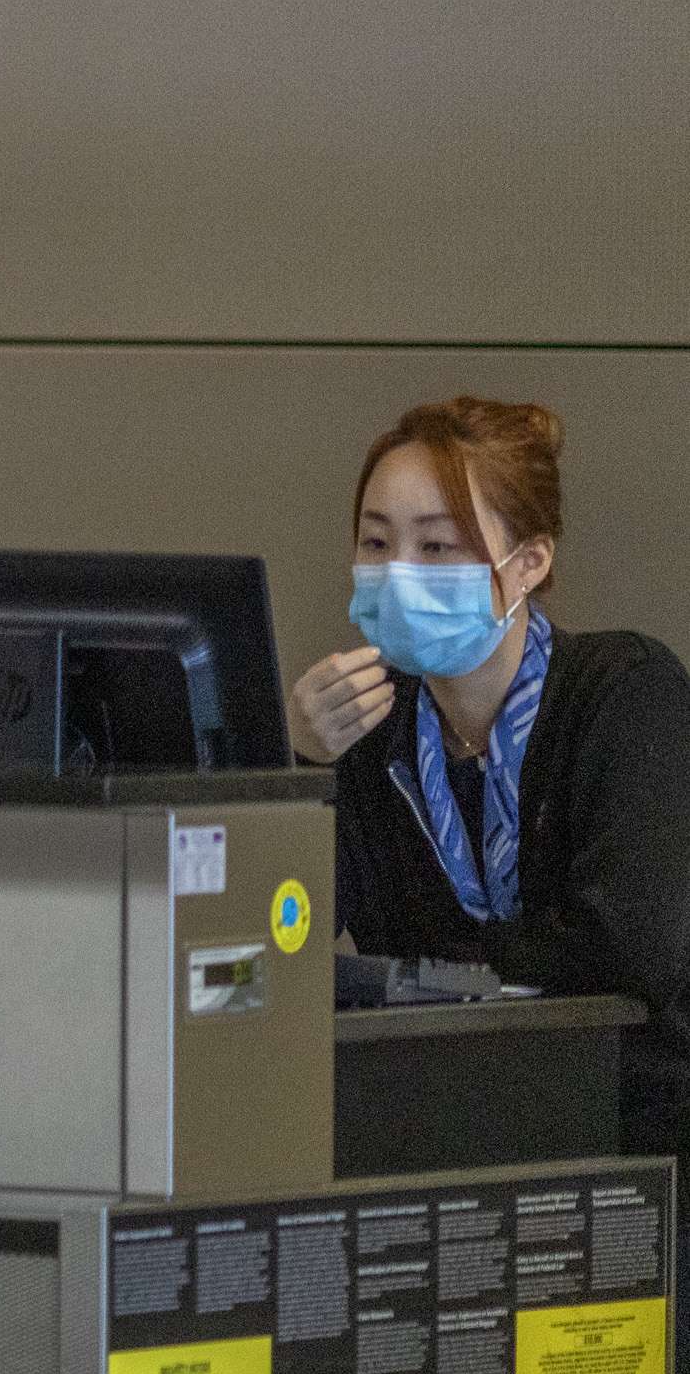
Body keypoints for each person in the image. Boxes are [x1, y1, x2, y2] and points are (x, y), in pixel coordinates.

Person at [286, 397, 690, 1176]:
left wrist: (430, 971)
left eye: (438, 546)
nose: (399, 572)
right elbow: (288, 933)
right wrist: (303, 770)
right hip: (447, 1135)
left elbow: (630, 948)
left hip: (639, 1139)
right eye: (377, 542)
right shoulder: (374, 733)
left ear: (529, 562)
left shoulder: (626, 692)